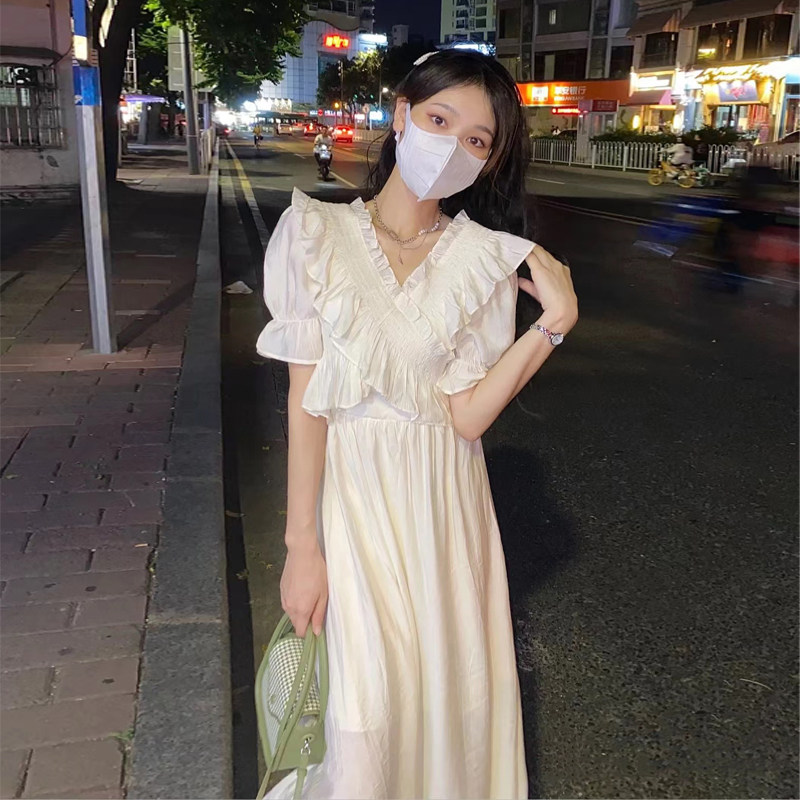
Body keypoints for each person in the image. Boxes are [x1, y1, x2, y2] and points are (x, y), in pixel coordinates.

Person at [257, 48, 578, 799]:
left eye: (476, 139)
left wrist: (554, 323)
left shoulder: (486, 262)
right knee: (362, 721)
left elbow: (466, 417)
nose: (452, 146)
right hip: (354, 507)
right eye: (439, 119)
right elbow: (307, 402)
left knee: (444, 707)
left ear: (489, 161)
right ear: (401, 115)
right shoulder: (314, 234)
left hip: (445, 511)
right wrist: (301, 546)